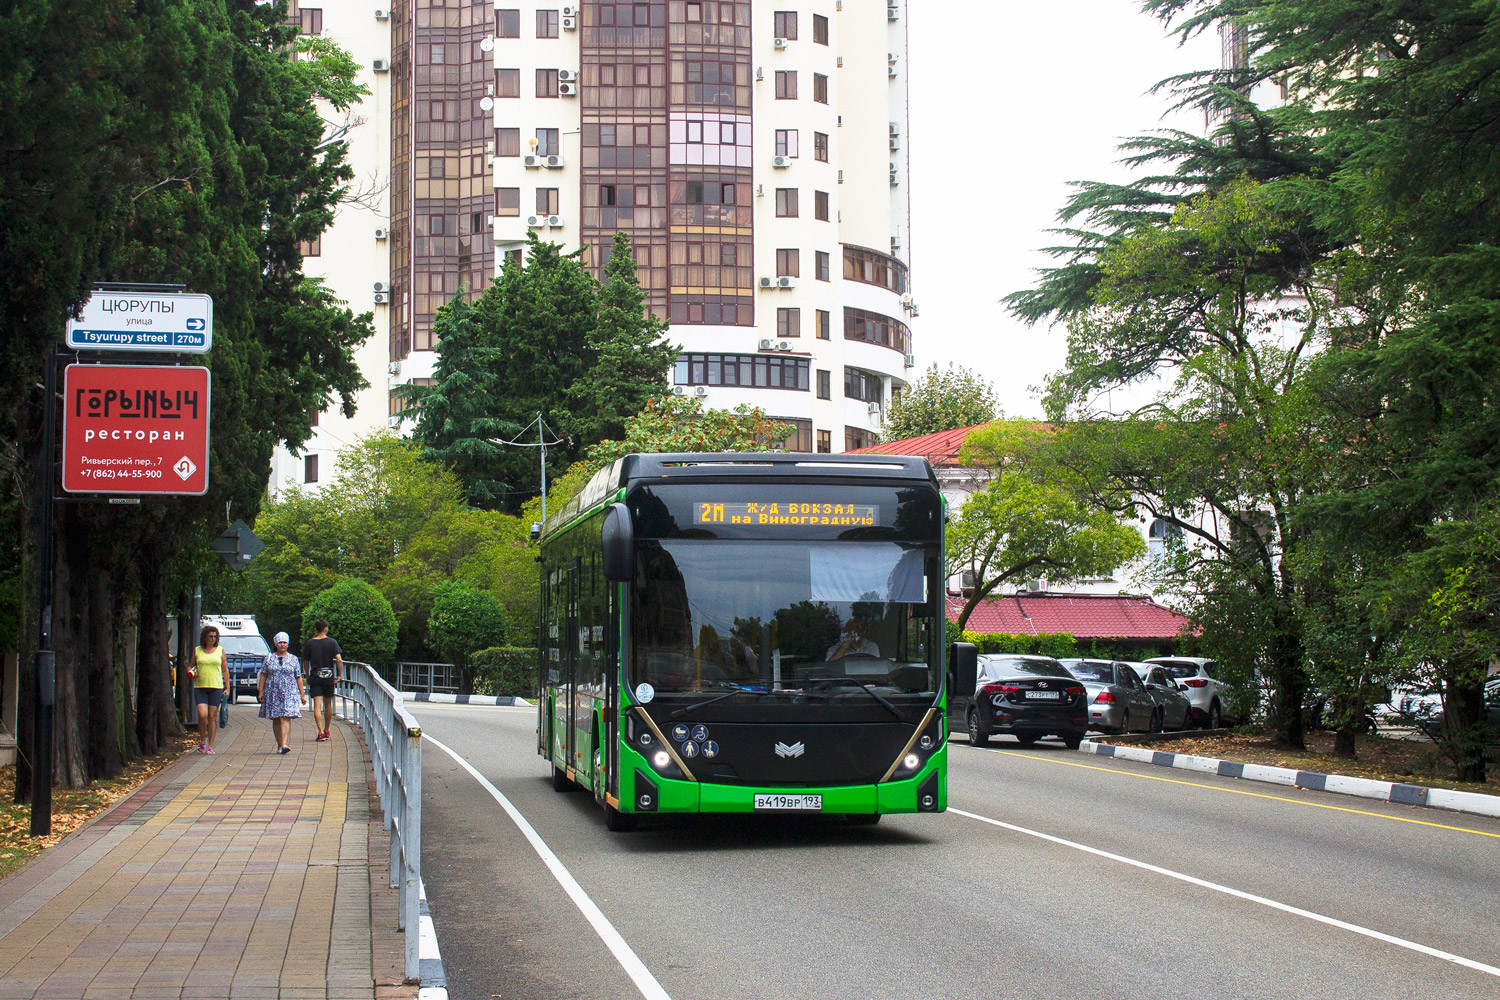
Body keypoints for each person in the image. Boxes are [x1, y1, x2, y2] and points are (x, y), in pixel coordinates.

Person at [258, 632, 306, 754]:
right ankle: (280, 744)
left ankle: (284, 744)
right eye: (280, 642)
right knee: (276, 718)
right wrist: (260, 691)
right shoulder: (269, 658)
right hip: (272, 691)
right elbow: (263, 674)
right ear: (276, 644)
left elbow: (298, 677)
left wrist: (302, 694)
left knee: (285, 716)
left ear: (288, 644)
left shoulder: (293, 659)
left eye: (284, 642)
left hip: (289, 692)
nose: (282, 645)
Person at [189, 625, 230, 754]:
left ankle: (210, 745)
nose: (213, 639)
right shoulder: (197, 651)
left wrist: (227, 686)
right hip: (200, 686)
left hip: (216, 686)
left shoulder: (220, 650)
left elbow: (224, 669)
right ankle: (202, 740)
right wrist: (191, 672)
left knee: (212, 716)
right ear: (205, 638)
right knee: (202, 715)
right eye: (210, 636)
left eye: (215, 636)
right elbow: (190, 666)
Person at [302, 618, 343, 743]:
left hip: (315, 676)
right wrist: (339, 675)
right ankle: (327, 729)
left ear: (316, 629)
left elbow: (305, 661)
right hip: (329, 677)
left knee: (317, 705)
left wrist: (308, 675)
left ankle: (320, 732)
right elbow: (339, 660)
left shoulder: (310, 643)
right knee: (328, 704)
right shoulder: (332, 642)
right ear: (326, 629)